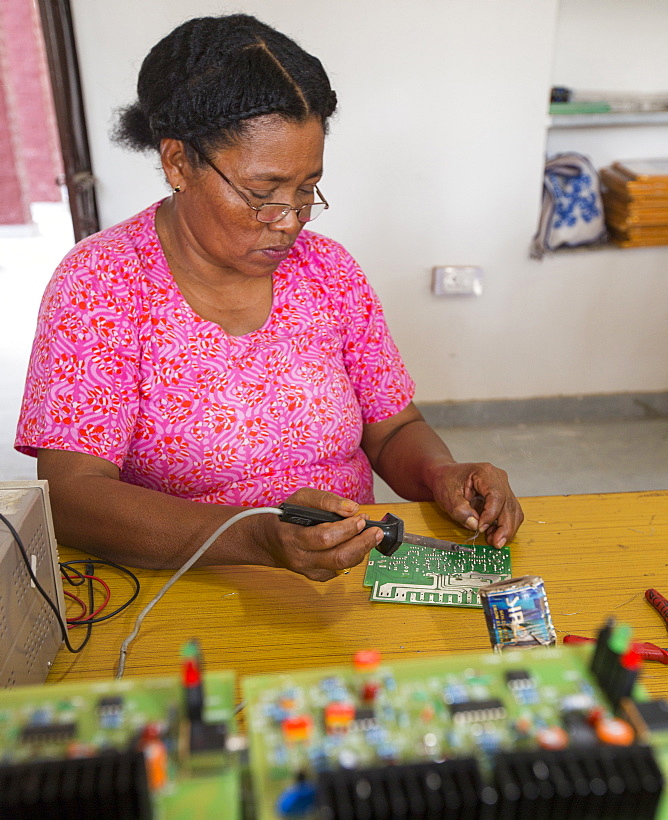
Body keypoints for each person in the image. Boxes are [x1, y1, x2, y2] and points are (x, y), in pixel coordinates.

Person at [15, 14, 523, 581]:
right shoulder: (102, 284)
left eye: (307, 189)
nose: (289, 222)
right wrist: (252, 537)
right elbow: (71, 496)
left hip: (343, 583)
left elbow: (393, 428)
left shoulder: (328, 270)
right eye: (263, 194)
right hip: (182, 589)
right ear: (178, 162)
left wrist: (442, 473)